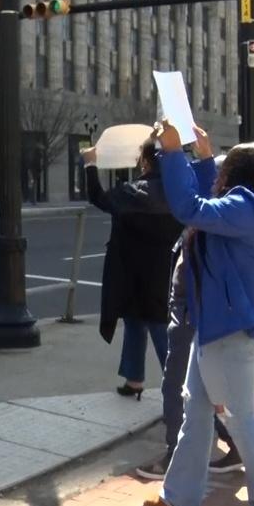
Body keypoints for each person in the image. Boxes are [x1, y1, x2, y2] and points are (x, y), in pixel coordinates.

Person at [142, 124, 254, 506]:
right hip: (223, 328)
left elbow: (192, 209)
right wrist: (205, 157)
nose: (221, 171)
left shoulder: (246, 205)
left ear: (242, 174)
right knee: (196, 410)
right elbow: (212, 205)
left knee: (242, 421)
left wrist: (174, 154)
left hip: (230, 333)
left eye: (227, 164)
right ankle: (180, 498)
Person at [136, 152, 244, 480]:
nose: (212, 179)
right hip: (191, 312)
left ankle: (177, 458)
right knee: (200, 393)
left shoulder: (216, 215)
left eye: (217, 175)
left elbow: (186, 202)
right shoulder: (222, 212)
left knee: (177, 389)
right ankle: (227, 449)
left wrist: (172, 153)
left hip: (191, 315)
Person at [82, 137, 185, 399]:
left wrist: (90, 164)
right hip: (166, 274)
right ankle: (149, 383)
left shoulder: (132, 193)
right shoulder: (179, 195)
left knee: (138, 324)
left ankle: (152, 384)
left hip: (132, 273)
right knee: (157, 328)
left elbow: (98, 197)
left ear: (147, 162)